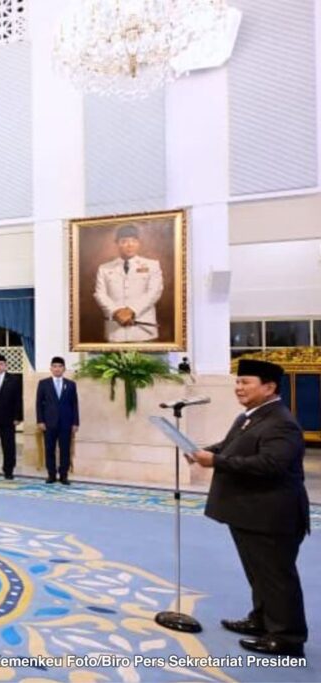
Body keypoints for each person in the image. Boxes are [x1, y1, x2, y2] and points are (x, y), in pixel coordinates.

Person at [189, 359, 310, 657]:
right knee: (259, 573)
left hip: (272, 514)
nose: (238, 388)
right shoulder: (251, 416)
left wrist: (215, 461)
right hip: (250, 512)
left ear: (269, 388)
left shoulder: (281, 422)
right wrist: (205, 452)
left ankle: (287, 638)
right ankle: (262, 620)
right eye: (237, 382)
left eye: (246, 382)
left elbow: (271, 464)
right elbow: (230, 445)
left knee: (276, 576)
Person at [93, 224, 164, 344]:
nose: (130, 245)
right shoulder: (104, 268)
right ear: (117, 243)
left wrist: (131, 311)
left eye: (133, 241)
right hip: (115, 330)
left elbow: (154, 292)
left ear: (139, 243)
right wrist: (116, 312)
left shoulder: (152, 265)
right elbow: (100, 294)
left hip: (143, 330)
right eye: (124, 241)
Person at [36, 357, 80, 485]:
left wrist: (75, 422)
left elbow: (74, 404)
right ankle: (51, 474)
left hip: (66, 423)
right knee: (49, 449)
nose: (57, 369)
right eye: (54, 366)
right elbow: (38, 404)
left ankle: (63, 475)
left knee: (65, 450)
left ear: (64, 369)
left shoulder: (71, 384)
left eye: (60, 366)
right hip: (49, 423)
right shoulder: (43, 383)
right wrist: (40, 421)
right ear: (51, 368)